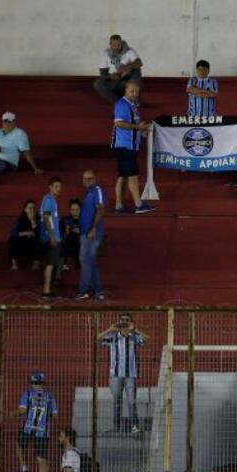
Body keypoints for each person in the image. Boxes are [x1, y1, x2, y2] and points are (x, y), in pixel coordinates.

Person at [97, 313, 148, 433]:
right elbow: (97, 338)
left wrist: (135, 329)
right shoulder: (112, 337)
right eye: (123, 320)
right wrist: (109, 329)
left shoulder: (134, 338)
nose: (124, 323)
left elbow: (147, 338)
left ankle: (134, 426)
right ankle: (117, 427)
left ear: (131, 322)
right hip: (115, 375)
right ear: (119, 322)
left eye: (127, 320)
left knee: (132, 401)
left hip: (131, 375)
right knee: (117, 401)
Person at [112, 81, 154, 214]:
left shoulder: (134, 106)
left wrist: (141, 132)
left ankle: (119, 206)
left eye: (136, 91)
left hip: (130, 145)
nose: (135, 94)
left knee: (122, 176)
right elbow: (119, 123)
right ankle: (138, 205)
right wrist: (138, 127)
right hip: (124, 146)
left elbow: (133, 125)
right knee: (132, 176)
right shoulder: (122, 104)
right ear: (125, 90)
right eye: (132, 91)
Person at [15, 371, 58, 472]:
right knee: (41, 458)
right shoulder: (50, 396)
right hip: (42, 431)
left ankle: (24, 468)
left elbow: (22, 410)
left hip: (28, 428)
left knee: (19, 445)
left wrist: (12, 413)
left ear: (32, 382)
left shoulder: (27, 394)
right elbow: (55, 416)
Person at [75, 170, 106, 300]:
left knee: (84, 259)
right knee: (90, 261)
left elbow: (100, 209)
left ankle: (84, 290)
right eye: (84, 179)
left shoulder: (97, 191)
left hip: (91, 234)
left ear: (95, 179)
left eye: (90, 179)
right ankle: (98, 291)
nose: (87, 181)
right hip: (85, 233)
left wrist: (93, 228)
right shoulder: (88, 194)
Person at [93, 34, 144, 104]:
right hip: (115, 80)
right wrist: (111, 77)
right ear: (110, 45)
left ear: (122, 43)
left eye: (119, 45)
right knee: (98, 84)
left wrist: (126, 67)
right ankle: (120, 102)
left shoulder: (129, 51)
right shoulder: (105, 53)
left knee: (136, 70)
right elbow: (102, 74)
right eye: (114, 45)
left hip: (128, 80)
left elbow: (139, 63)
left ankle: (134, 99)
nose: (117, 47)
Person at [39, 178, 63, 299]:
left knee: (51, 263)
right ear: (50, 187)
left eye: (60, 187)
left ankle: (47, 290)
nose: (59, 189)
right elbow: (46, 218)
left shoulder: (52, 200)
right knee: (49, 264)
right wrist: (52, 236)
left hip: (52, 237)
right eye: (56, 186)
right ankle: (46, 291)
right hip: (50, 237)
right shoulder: (48, 200)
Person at [8, 200, 42, 272]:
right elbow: (13, 233)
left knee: (38, 240)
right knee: (12, 239)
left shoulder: (39, 219)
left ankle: (36, 264)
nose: (32, 210)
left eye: (34, 208)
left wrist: (32, 221)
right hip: (21, 243)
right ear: (25, 209)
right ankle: (14, 264)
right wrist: (27, 233)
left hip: (33, 244)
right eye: (30, 208)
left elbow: (40, 233)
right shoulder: (20, 219)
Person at [59, 200, 82, 272]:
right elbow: (60, 236)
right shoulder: (64, 220)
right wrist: (67, 232)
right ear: (69, 210)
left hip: (81, 244)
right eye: (72, 209)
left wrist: (81, 232)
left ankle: (80, 262)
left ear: (81, 209)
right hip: (68, 242)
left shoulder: (85, 220)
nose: (75, 212)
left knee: (77, 237)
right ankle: (63, 264)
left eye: (77, 209)